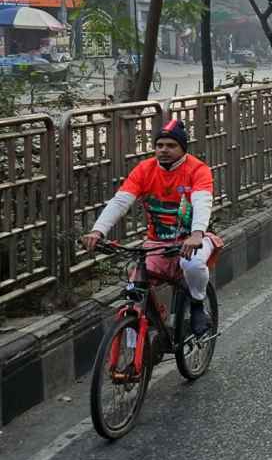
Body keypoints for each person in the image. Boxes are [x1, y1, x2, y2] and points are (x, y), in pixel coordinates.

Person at [82, 119, 221, 337]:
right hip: (156, 243)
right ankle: (133, 357)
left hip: (193, 239)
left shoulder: (197, 169)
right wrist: (98, 231)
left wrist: (196, 234)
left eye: (171, 145)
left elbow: (203, 201)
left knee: (192, 263)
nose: (164, 150)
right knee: (134, 293)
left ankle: (196, 305)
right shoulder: (144, 169)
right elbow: (121, 201)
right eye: (160, 145)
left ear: (183, 148)